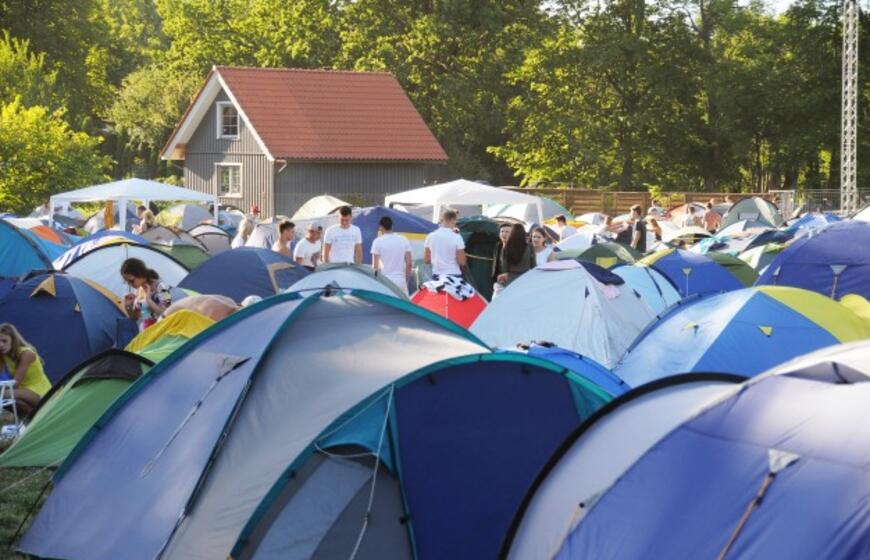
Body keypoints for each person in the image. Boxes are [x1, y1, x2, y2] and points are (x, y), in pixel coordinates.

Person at [0, 323, 50, 415]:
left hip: (40, 393)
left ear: (13, 340)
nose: (1, 345)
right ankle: (34, 419)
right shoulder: (4, 355)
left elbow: (15, 383)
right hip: (22, 392)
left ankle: (36, 418)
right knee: (10, 400)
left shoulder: (26, 354)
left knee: (3, 395)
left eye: (4, 341)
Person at [121, 258, 173, 330]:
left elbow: (168, 312)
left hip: (162, 333)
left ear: (140, 273)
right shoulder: (139, 290)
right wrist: (128, 306)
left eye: (131, 281)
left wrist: (148, 299)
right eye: (127, 282)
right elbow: (135, 317)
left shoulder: (163, 287)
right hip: (147, 335)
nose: (130, 284)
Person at [371, 216, 413, 296]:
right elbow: (409, 264)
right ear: (392, 226)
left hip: (385, 280)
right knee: (404, 307)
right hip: (400, 280)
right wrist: (406, 281)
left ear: (381, 227)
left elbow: (375, 267)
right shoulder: (404, 240)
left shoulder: (377, 242)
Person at [424, 209, 466, 278]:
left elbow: (427, 260)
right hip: (454, 275)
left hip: (437, 275)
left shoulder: (430, 236)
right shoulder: (457, 237)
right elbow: (462, 262)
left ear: (442, 220)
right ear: (453, 220)